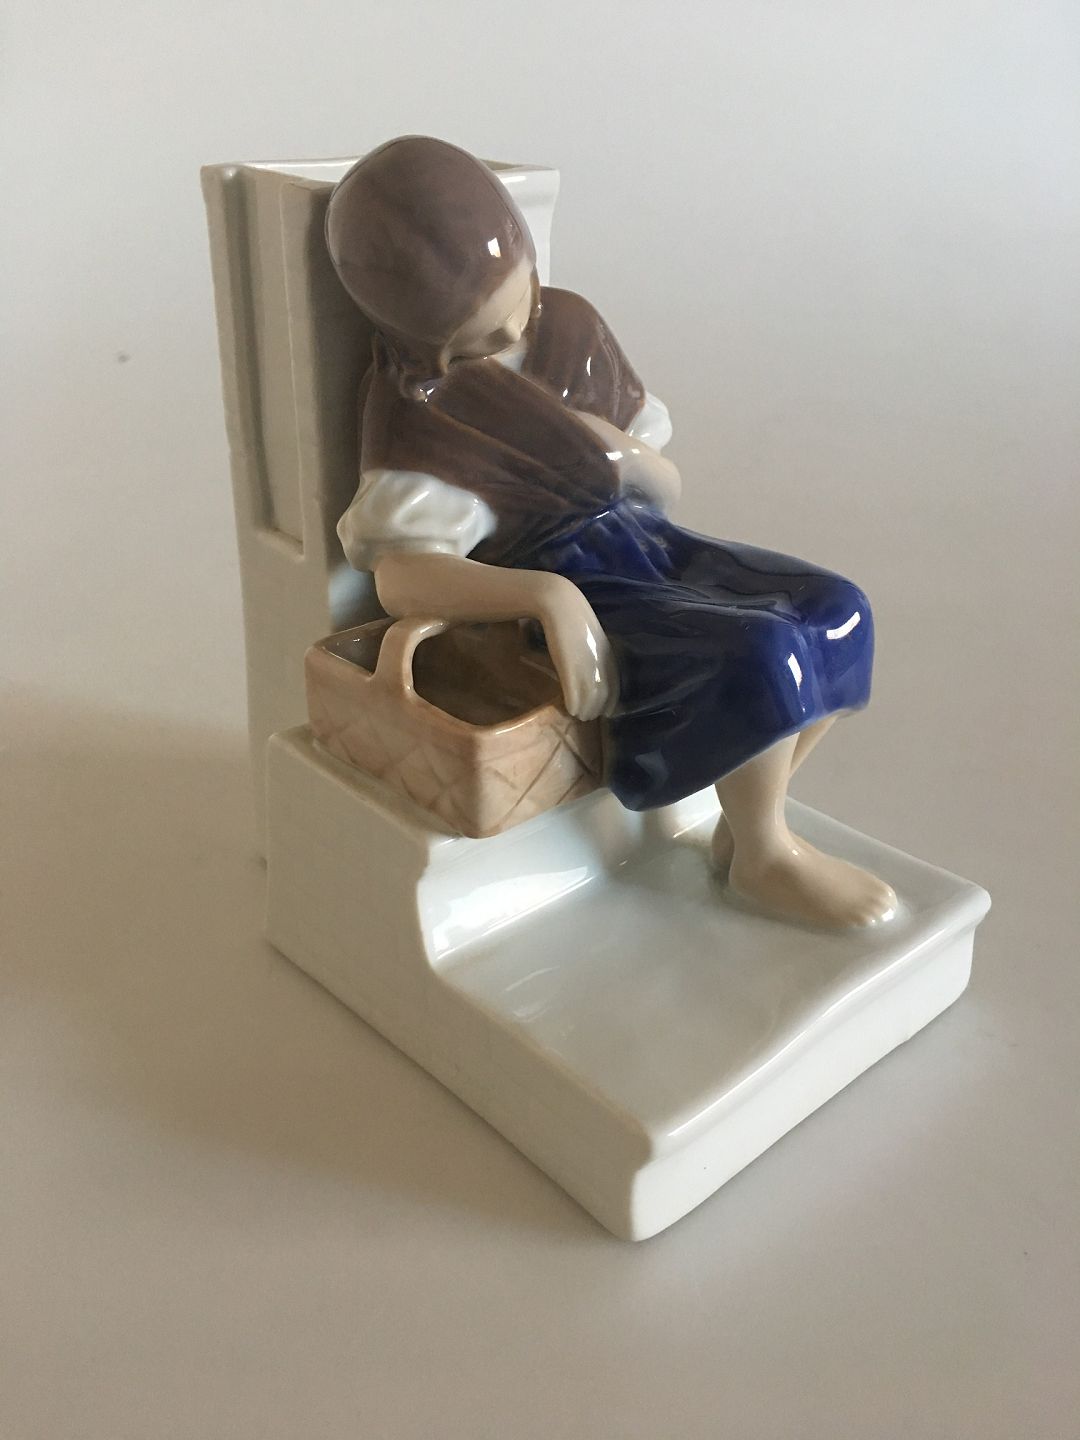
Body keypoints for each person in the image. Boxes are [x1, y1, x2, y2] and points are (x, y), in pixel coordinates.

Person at [325, 136, 897, 928]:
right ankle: (765, 856)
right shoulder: (416, 409)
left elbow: (664, 489)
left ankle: (746, 825)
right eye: (476, 344)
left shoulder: (571, 329)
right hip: (556, 574)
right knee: (761, 652)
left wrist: (622, 455)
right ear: (421, 345)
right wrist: (547, 598)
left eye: (518, 304)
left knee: (836, 610)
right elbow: (402, 577)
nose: (512, 339)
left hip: (643, 541)